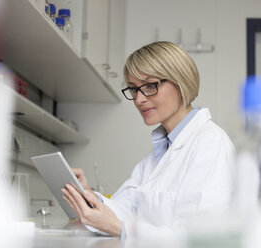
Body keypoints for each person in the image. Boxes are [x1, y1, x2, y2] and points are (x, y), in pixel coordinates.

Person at [61, 41, 235, 240]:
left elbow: (204, 237)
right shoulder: (159, 153)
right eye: (134, 89)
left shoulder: (211, 143)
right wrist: (87, 196)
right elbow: (126, 208)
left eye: (150, 86)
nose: (139, 99)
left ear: (181, 82)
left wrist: (122, 230)